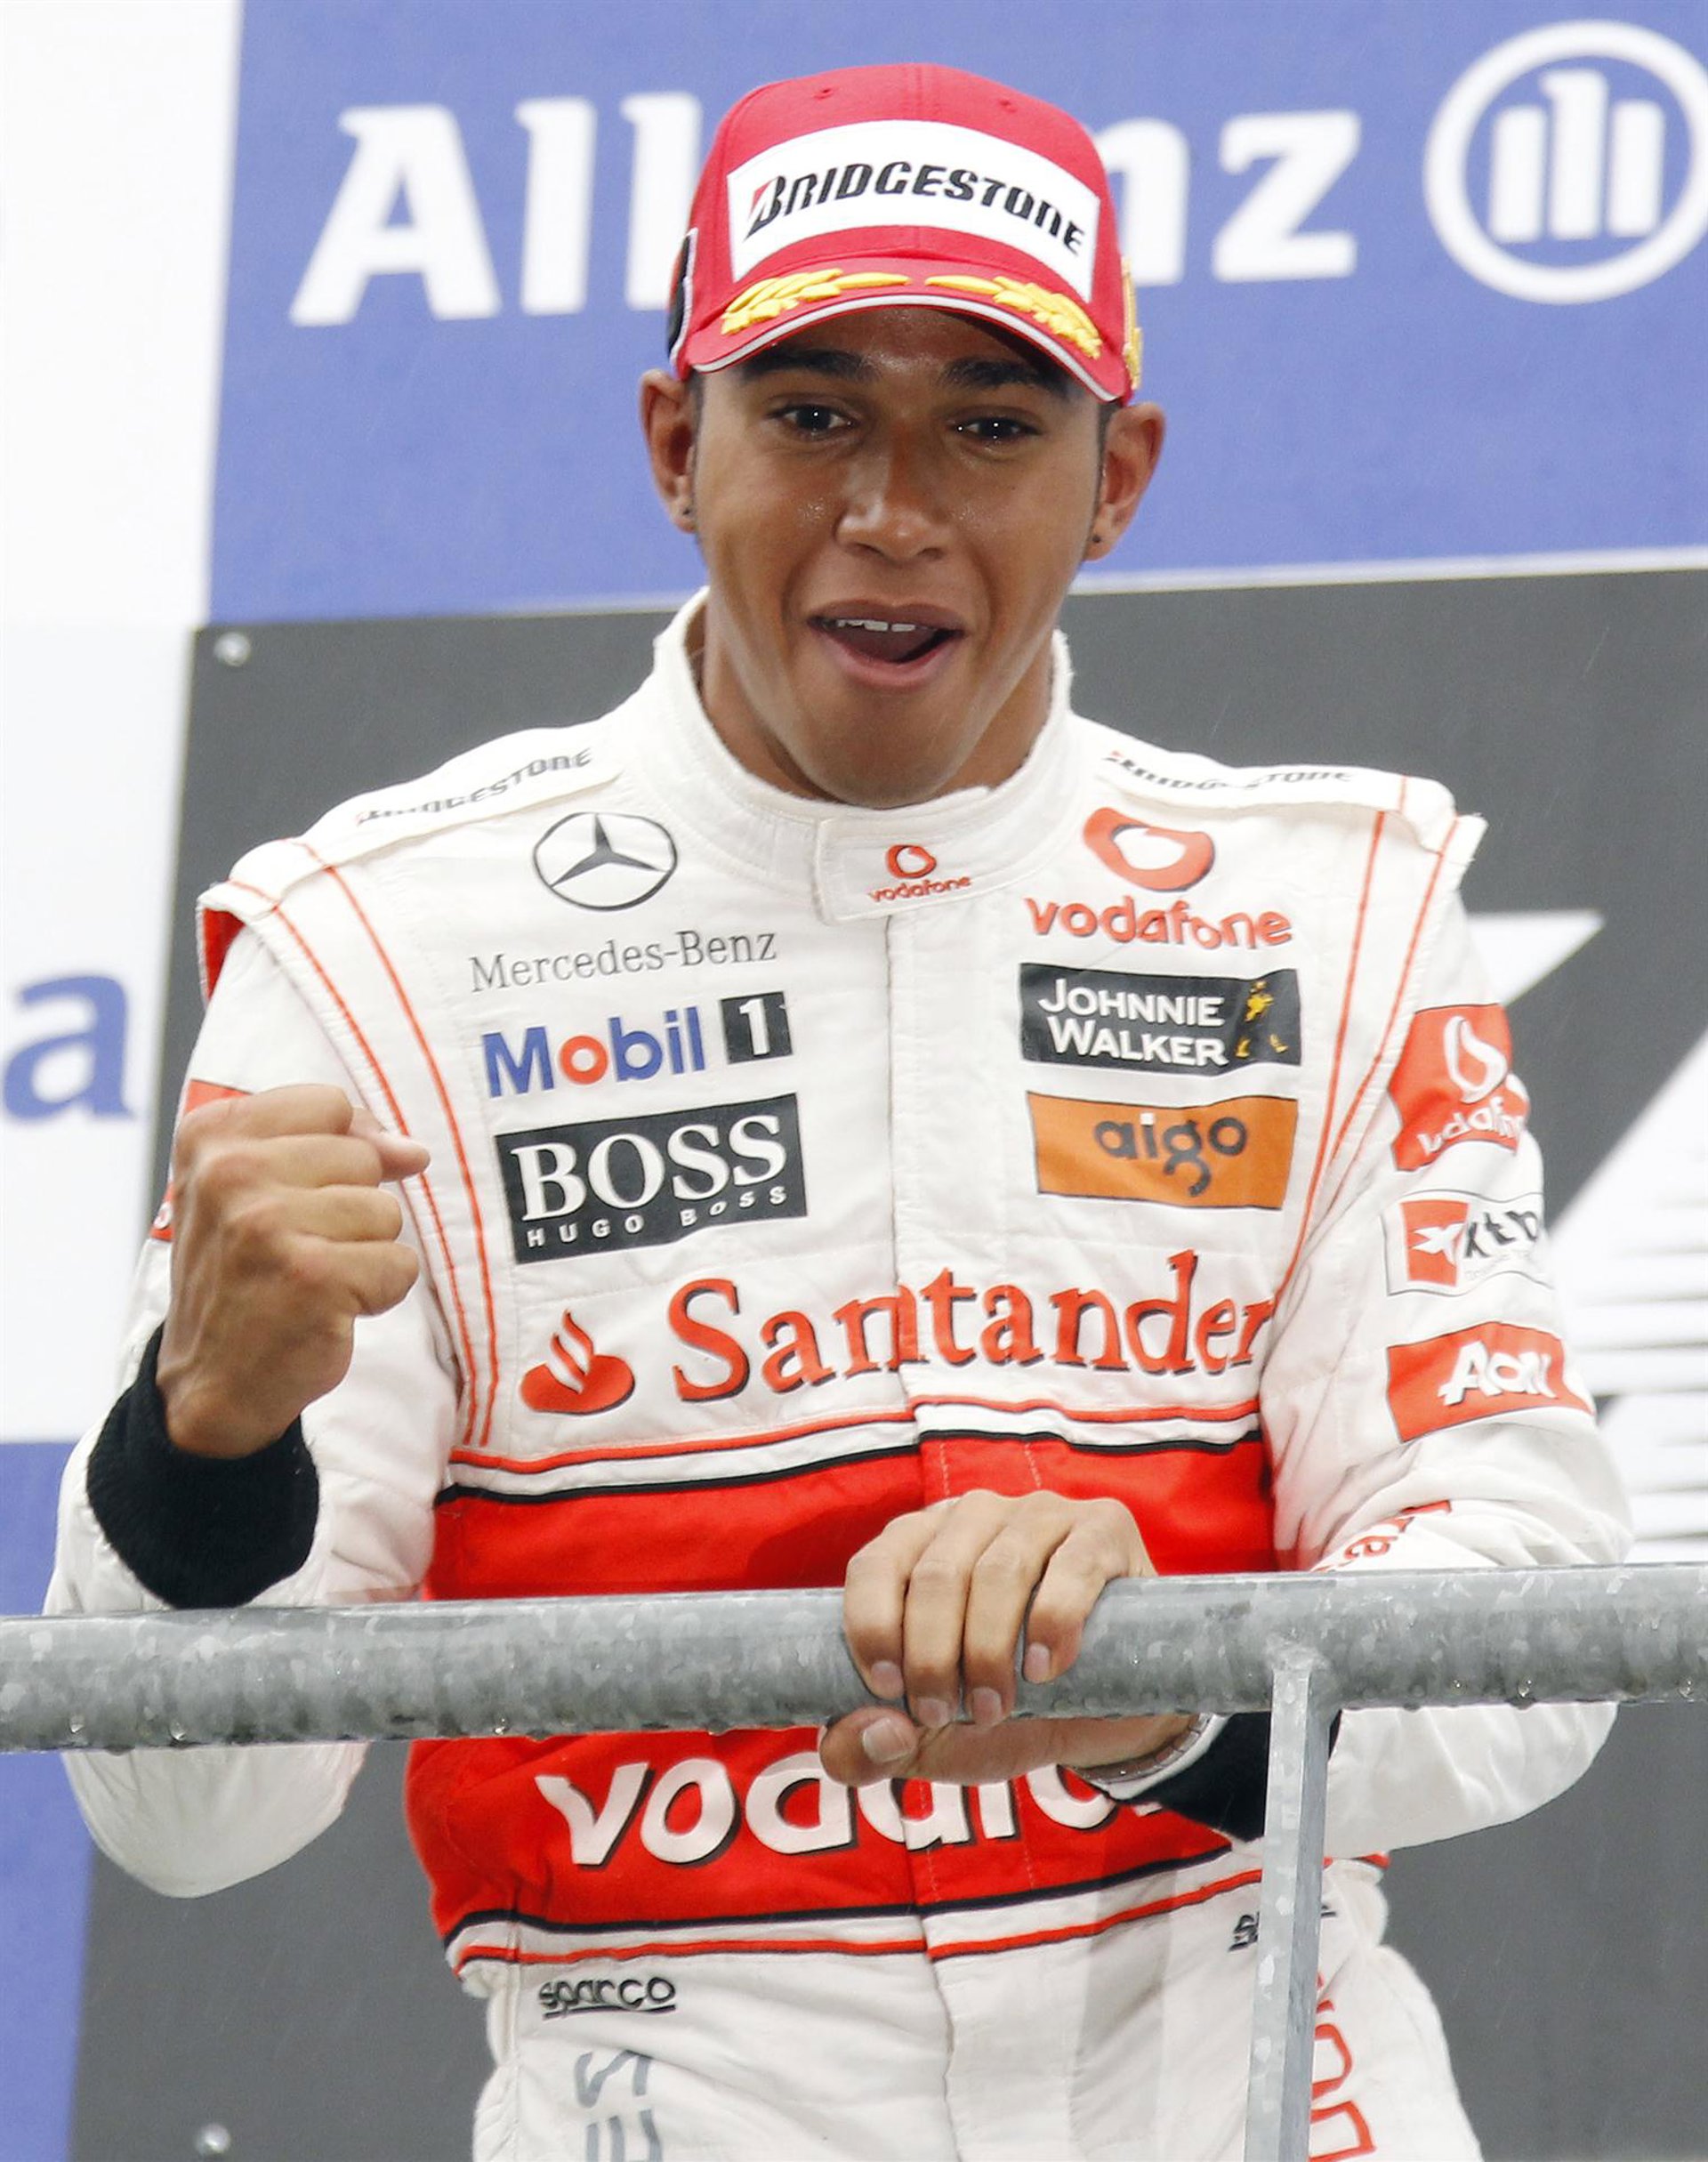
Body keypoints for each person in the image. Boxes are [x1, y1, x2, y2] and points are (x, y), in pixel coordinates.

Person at [49, 61, 1627, 2162]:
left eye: (993, 424)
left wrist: (1160, 1685)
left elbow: (1536, 1629)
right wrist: (206, 1443)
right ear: (671, 445)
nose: (893, 508)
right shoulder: (376, 945)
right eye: (809, 414)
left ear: (1120, 476)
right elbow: (186, 1819)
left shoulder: (1338, 910)